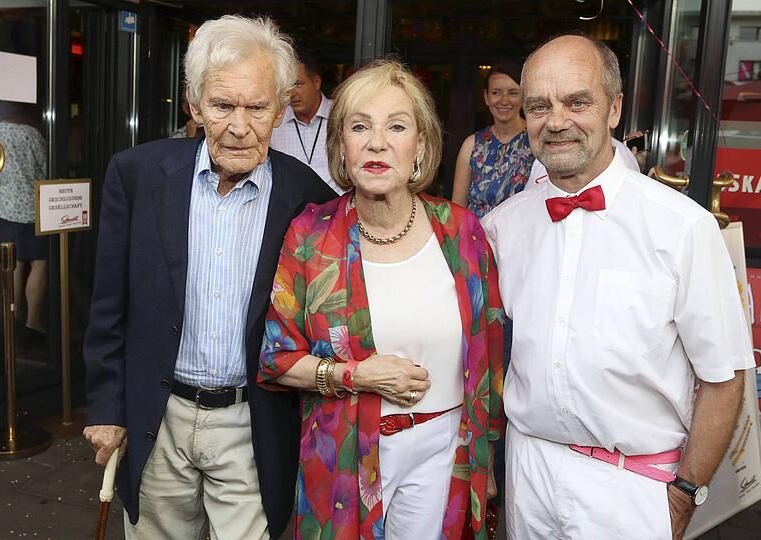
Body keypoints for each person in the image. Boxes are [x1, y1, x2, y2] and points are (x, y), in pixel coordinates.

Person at [481, 34, 754, 540]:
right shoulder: (500, 228)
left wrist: (684, 495)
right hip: (528, 471)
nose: (556, 121)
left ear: (614, 109)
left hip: (633, 487)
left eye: (577, 101)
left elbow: (725, 378)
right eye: (539, 106)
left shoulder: (682, 227)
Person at [82, 16, 336, 539]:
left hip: (253, 423)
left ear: (281, 108)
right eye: (222, 106)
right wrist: (108, 408)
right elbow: (108, 304)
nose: (239, 127)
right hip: (160, 417)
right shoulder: (137, 176)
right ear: (194, 104)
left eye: (257, 107)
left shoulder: (309, 198)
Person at [259, 59, 504, 540]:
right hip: (346, 455)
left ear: (421, 145)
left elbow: (490, 352)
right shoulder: (311, 234)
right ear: (342, 147)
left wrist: (489, 455)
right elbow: (276, 359)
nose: (377, 142)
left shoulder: (462, 232)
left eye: (397, 126)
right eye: (359, 126)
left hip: (445, 450)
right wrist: (357, 375)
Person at [0, 101, 48, 337]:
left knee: (14, 263)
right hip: (34, 208)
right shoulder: (32, 134)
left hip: (7, 208)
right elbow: (44, 169)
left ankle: (13, 317)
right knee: (40, 262)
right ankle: (33, 320)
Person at [452, 62, 534, 218]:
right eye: (496, 93)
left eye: (513, 93)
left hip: (522, 238)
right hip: (478, 238)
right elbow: (457, 210)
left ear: (523, 97)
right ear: (486, 97)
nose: (504, 100)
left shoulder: (536, 140)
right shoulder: (472, 145)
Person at [270, 48, 343, 194]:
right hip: (293, 209)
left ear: (316, 82)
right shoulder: (275, 121)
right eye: (287, 86)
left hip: (338, 209)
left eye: (297, 84)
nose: (292, 93)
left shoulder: (341, 115)